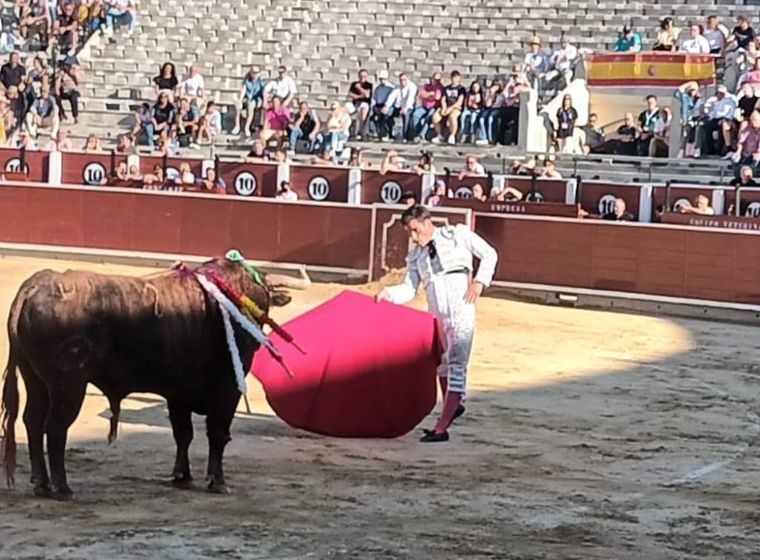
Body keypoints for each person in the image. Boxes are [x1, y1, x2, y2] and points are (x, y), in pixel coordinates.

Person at [375, 205, 498, 443]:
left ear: (427, 222)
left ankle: (442, 428)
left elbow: (490, 253)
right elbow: (409, 288)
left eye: (415, 230)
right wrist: (388, 294)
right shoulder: (416, 256)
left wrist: (480, 282)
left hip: (462, 307)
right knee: (441, 364)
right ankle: (454, 406)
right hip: (437, 314)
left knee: (456, 365)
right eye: (410, 232)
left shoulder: (457, 235)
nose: (413, 237)